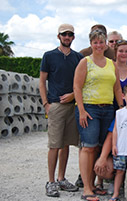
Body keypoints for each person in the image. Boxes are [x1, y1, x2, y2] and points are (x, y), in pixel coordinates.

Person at [73, 30, 123, 201]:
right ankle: (87, 188)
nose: (99, 45)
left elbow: (117, 88)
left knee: (99, 147)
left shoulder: (112, 64)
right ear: (91, 44)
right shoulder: (84, 62)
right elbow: (77, 87)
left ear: (106, 44)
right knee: (88, 147)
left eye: (101, 42)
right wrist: (81, 110)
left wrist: (122, 107)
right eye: (95, 42)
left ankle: (94, 184)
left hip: (107, 109)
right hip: (89, 109)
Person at [39, 23, 82, 197]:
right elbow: (42, 81)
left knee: (66, 145)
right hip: (55, 105)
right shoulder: (49, 56)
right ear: (58, 36)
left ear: (73, 37)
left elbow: (81, 82)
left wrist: (73, 95)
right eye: (64, 34)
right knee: (54, 146)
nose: (67, 37)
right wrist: (46, 104)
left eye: (70, 34)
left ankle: (61, 178)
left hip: (72, 106)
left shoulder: (78, 58)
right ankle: (50, 182)